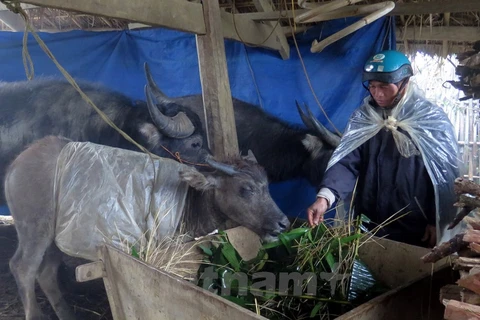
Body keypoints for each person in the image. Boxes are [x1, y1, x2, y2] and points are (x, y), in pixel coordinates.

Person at [307, 50, 460, 248]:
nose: (377, 94)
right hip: (368, 223)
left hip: (416, 226)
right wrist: (325, 198)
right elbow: (347, 161)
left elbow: (445, 176)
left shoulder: (430, 120)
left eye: (384, 87)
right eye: (372, 86)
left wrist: (437, 220)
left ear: (404, 83)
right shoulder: (365, 118)